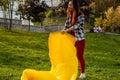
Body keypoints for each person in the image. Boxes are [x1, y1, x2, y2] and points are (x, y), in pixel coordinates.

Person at [61, 0, 86, 79]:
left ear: (74, 5)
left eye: (71, 5)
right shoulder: (69, 14)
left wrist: (66, 30)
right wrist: (63, 31)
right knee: (70, 56)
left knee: (79, 56)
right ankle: (71, 71)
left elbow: (76, 26)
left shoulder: (81, 15)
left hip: (79, 39)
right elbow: (66, 25)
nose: (69, 6)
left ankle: (83, 73)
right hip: (71, 39)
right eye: (68, 5)